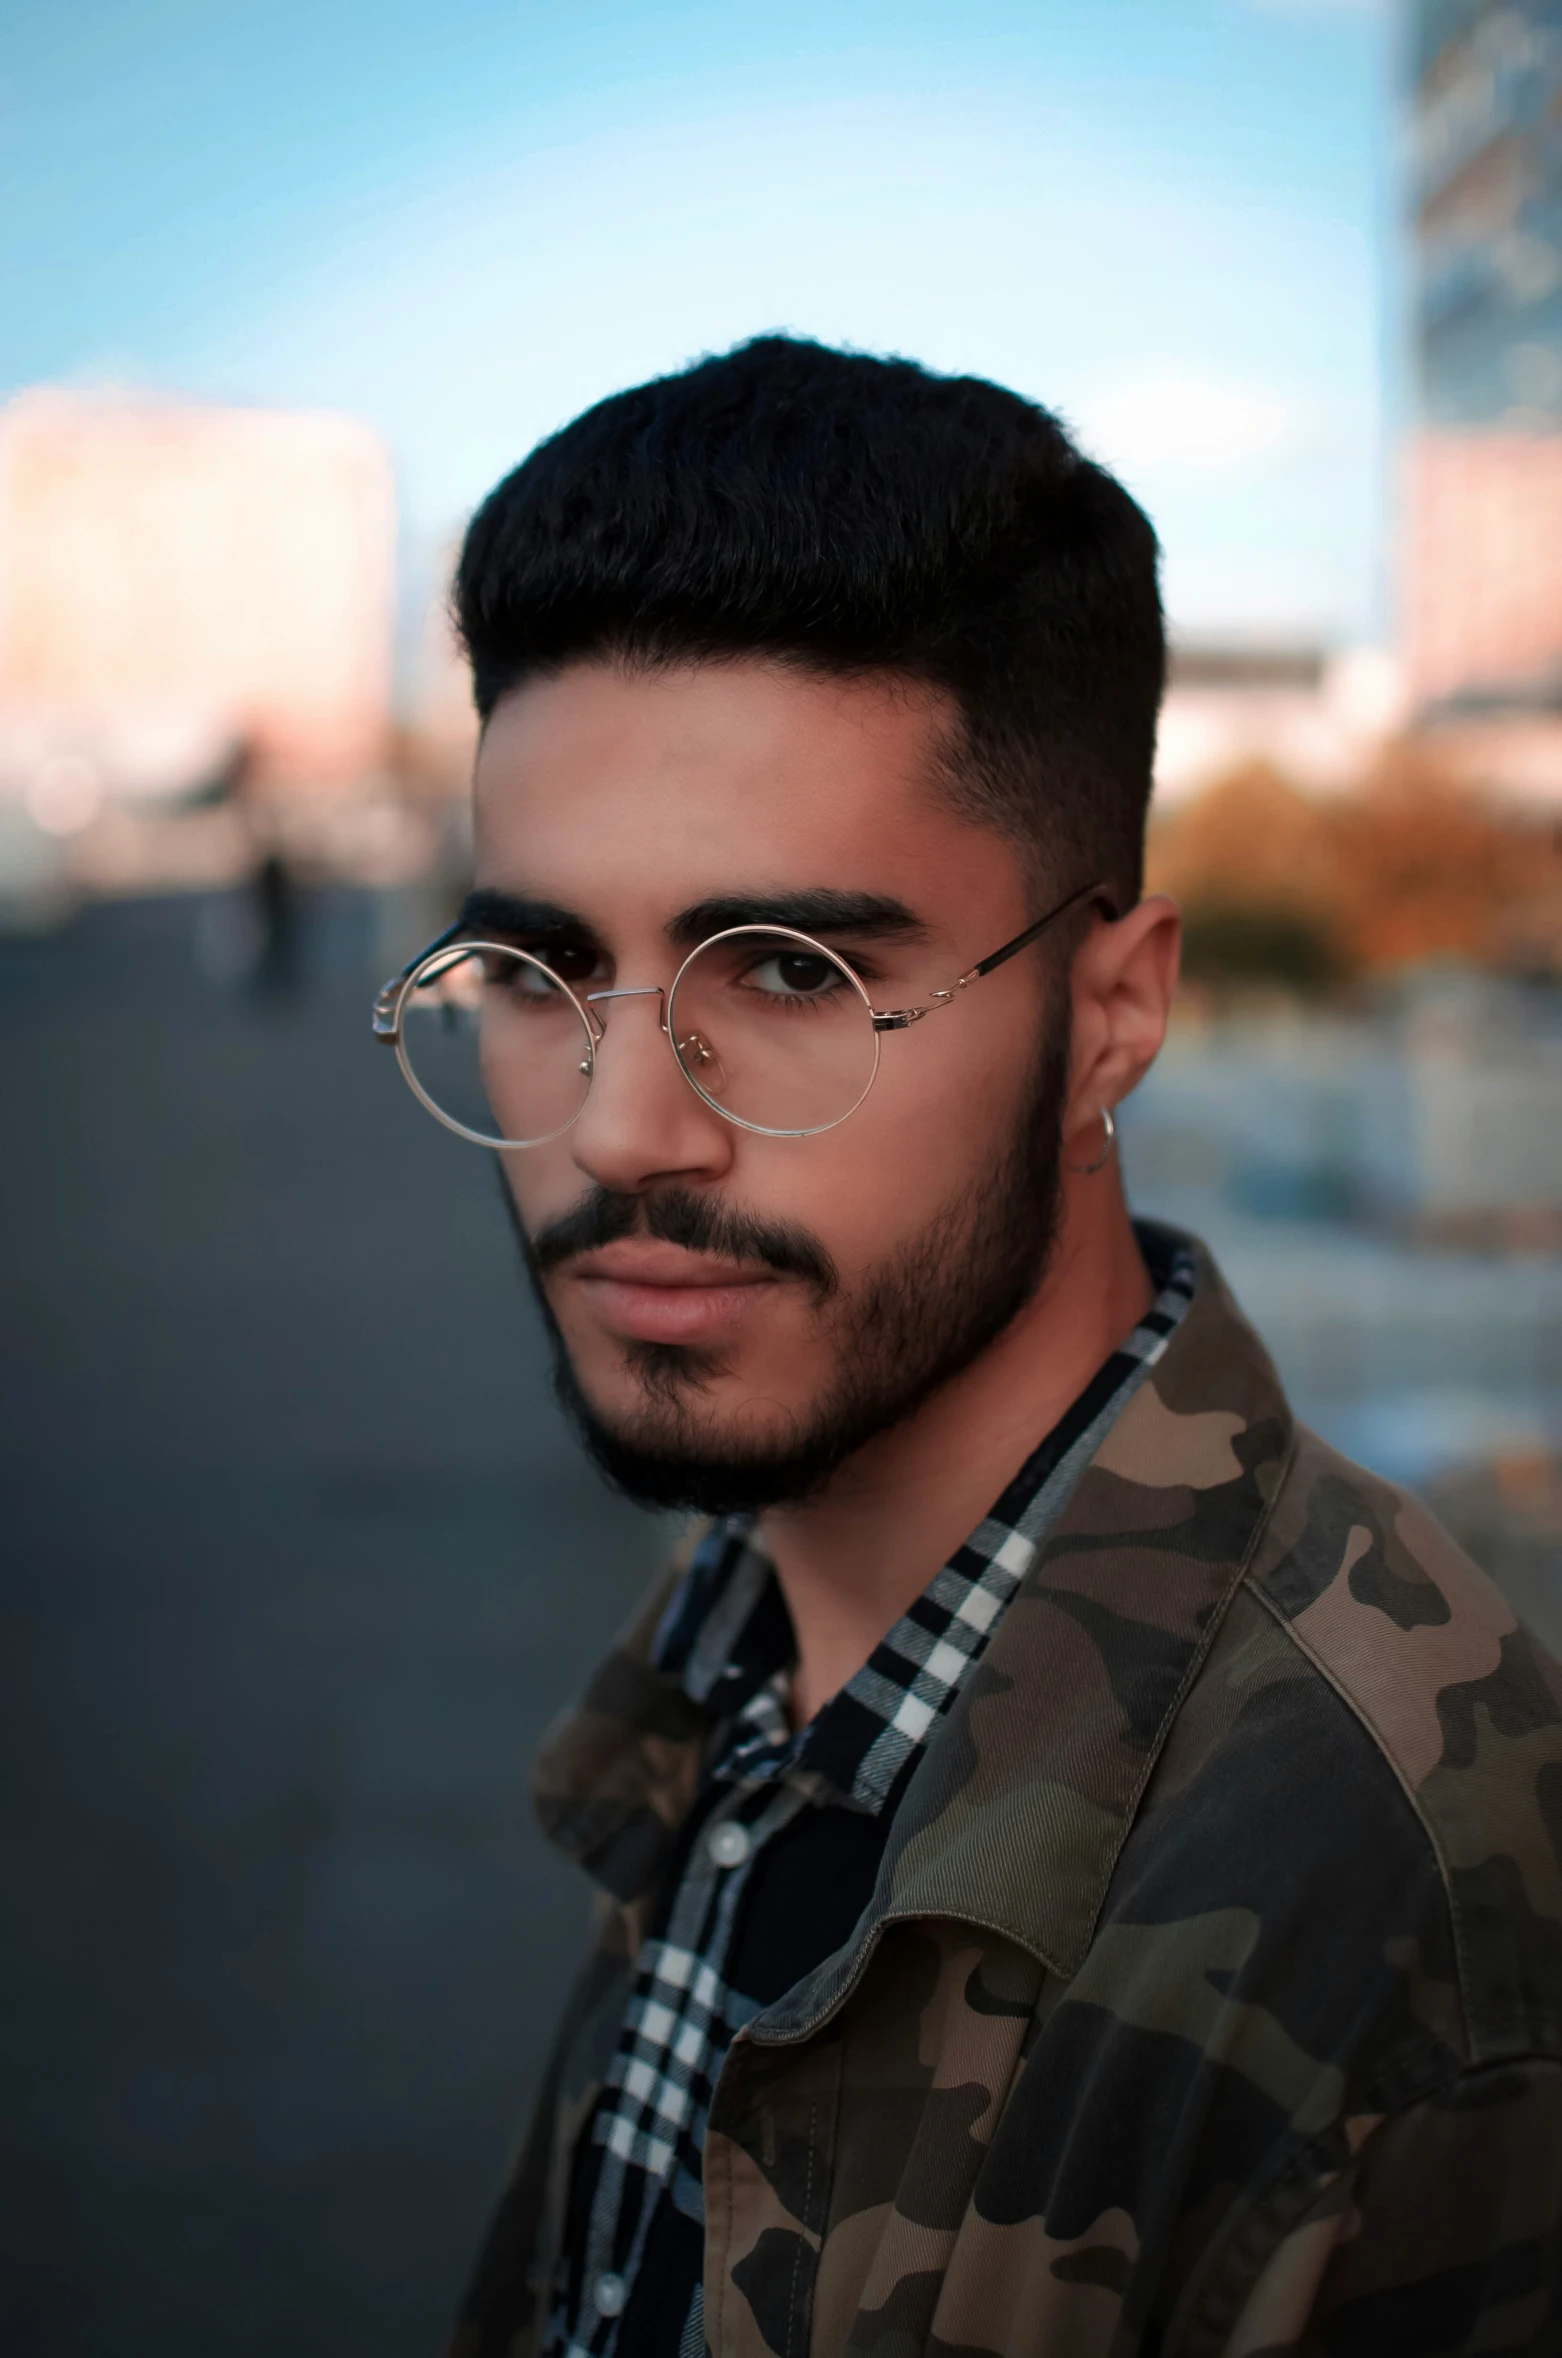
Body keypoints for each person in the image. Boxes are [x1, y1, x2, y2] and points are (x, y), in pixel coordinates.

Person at [373, 339, 1562, 2356]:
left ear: (1108, 1013)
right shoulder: (750, 1649)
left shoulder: (1402, 1931)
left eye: (793, 971)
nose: (621, 1125)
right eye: (543, 968)